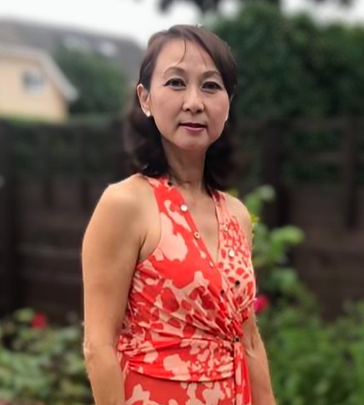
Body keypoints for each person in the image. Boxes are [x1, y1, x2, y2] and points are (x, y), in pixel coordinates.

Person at [81, 25, 277, 405]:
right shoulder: (125, 204)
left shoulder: (236, 215)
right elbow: (98, 345)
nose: (194, 102)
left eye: (210, 86)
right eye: (175, 82)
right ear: (145, 98)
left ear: (228, 103)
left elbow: (248, 339)